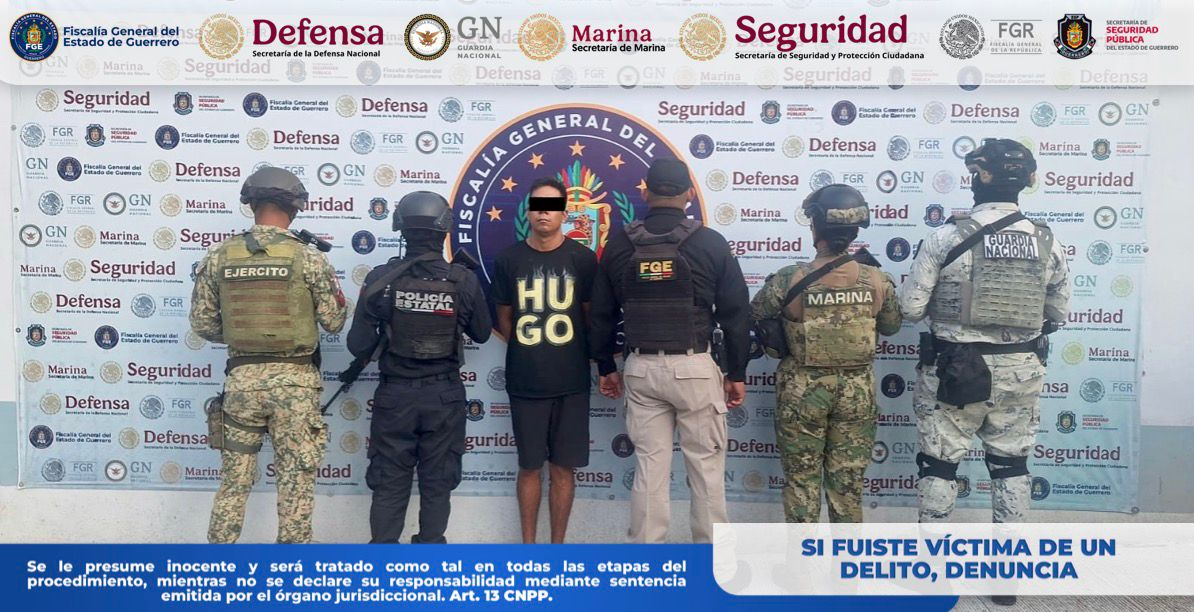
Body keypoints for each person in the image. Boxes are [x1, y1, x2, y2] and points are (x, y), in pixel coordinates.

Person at [900, 138, 1069, 606]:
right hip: (1021, 370)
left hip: (955, 371)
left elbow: (910, 309)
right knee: (1011, 467)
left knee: (939, 467)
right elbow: (1059, 313)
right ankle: (1005, 581)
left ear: (978, 177)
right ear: (1028, 181)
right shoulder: (1048, 241)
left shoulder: (945, 238)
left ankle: (931, 578)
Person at [590, 157, 751, 543]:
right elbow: (736, 314)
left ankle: (647, 564)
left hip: (641, 368)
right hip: (694, 368)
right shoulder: (710, 243)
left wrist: (605, 366)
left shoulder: (620, 243)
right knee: (706, 470)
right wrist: (737, 373)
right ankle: (710, 563)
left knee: (650, 470)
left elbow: (600, 314)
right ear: (689, 194)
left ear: (646, 192)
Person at [191, 166, 347, 543]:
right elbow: (334, 321)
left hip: (241, 384)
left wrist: (245, 337)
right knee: (295, 487)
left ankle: (216, 567)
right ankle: (289, 571)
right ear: (294, 207)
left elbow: (203, 323)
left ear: (252, 204)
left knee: (234, 484)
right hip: (295, 387)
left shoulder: (219, 255)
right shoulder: (308, 257)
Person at [750, 184, 902, 523]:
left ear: (815, 227)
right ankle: (845, 558)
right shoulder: (877, 279)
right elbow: (892, 326)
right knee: (847, 485)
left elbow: (757, 312)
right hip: (857, 392)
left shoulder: (789, 279)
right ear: (854, 231)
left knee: (801, 480)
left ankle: (802, 557)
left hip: (802, 391)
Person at [346, 191, 491, 544]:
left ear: (401, 229)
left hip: (395, 396)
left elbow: (358, 344)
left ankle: (383, 561)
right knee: (437, 482)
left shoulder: (382, 279)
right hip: (444, 396)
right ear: (444, 229)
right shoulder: (463, 280)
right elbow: (483, 333)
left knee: (389, 482)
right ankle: (429, 560)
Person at [492, 176, 599, 543]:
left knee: (564, 469)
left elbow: (590, 317)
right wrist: (532, 350)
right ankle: (528, 550)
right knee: (529, 467)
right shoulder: (508, 259)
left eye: (551, 206)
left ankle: (557, 551)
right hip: (525, 381)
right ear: (528, 211)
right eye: (537, 206)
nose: (543, 213)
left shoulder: (583, 259)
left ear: (564, 213)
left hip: (571, 382)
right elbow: (504, 319)